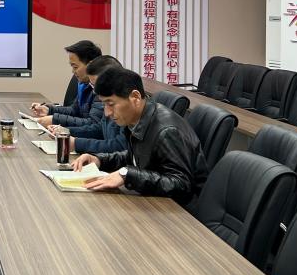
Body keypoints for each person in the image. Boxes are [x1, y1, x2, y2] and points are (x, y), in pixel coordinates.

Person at [72, 67, 205, 206]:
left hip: (178, 211)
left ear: (135, 97)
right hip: (154, 200)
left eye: (111, 104)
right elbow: (134, 157)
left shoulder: (168, 131)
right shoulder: (136, 119)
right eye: (104, 104)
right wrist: (99, 160)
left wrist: (128, 175)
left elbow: (181, 184)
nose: (107, 113)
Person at [59, 55, 127, 156]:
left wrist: (77, 143)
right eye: (92, 85)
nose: (94, 91)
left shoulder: (125, 105)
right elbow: (100, 129)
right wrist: (66, 131)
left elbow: (119, 146)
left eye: (96, 85)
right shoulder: (107, 100)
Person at [31, 40, 101, 129]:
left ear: (91, 65)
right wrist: (49, 110)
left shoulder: (102, 89)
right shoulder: (84, 85)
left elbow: (93, 124)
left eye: (75, 67)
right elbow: (74, 111)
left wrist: (55, 120)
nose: (73, 71)